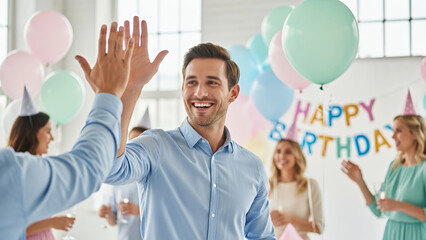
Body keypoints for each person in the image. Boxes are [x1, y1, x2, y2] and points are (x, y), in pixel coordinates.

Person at [104, 16, 275, 239]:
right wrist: (132, 88)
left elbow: (263, 237)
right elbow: (109, 169)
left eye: (212, 82)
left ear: (233, 93)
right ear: (183, 88)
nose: (200, 93)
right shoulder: (156, 146)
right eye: (192, 82)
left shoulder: (252, 167)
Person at [0, 20, 165, 240]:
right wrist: (110, 93)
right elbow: (90, 168)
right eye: (47, 130)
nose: (52, 137)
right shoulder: (12, 173)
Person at [341, 114, 426, 239]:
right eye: (392, 131)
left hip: (416, 235)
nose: (392, 136)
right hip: (391, 233)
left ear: (414, 134)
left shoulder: (423, 169)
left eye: (398, 130)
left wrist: (398, 205)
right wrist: (360, 181)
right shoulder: (394, 167)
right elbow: (378, 210)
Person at [7, 88, 75, 240]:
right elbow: (11, 229)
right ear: (30, 133)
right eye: (47, 131)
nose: (52, 138)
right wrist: (52, 222)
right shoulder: (15, 172)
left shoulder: (40, 169)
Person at [268, 123, 324, 239]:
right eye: (278, 151)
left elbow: (319, 227)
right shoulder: (267, 185)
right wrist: (267, 219)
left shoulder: (310, 185)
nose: (281, 156)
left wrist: (289, 220)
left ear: (296, 156)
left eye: (288, 152)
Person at [99, 116, 150, 240]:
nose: (133, 148)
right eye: (131, 141)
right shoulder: (120, 178)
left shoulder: (156, 178)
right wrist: (108, 214)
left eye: (138, 142)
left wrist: (138, 211)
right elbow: (114, 220)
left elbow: (167, 218)